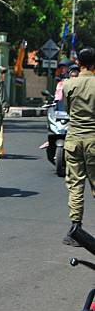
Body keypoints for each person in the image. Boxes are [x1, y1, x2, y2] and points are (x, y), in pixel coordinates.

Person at [61, 47, 95, 247]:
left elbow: (67, 109)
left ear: (79, 63)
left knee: (75, 185)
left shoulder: (68, 84)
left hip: (73, 139)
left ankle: (75, 229)